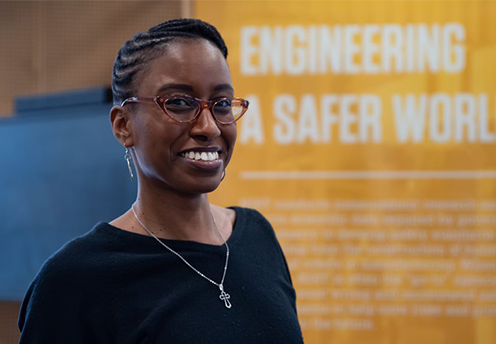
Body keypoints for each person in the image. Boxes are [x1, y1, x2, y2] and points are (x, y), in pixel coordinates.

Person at [18, 18, 304, 343]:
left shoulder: (257, 235)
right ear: (123, 125)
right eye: (179, 103)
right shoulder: (75, 280)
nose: (209, 127)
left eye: (222, 104)